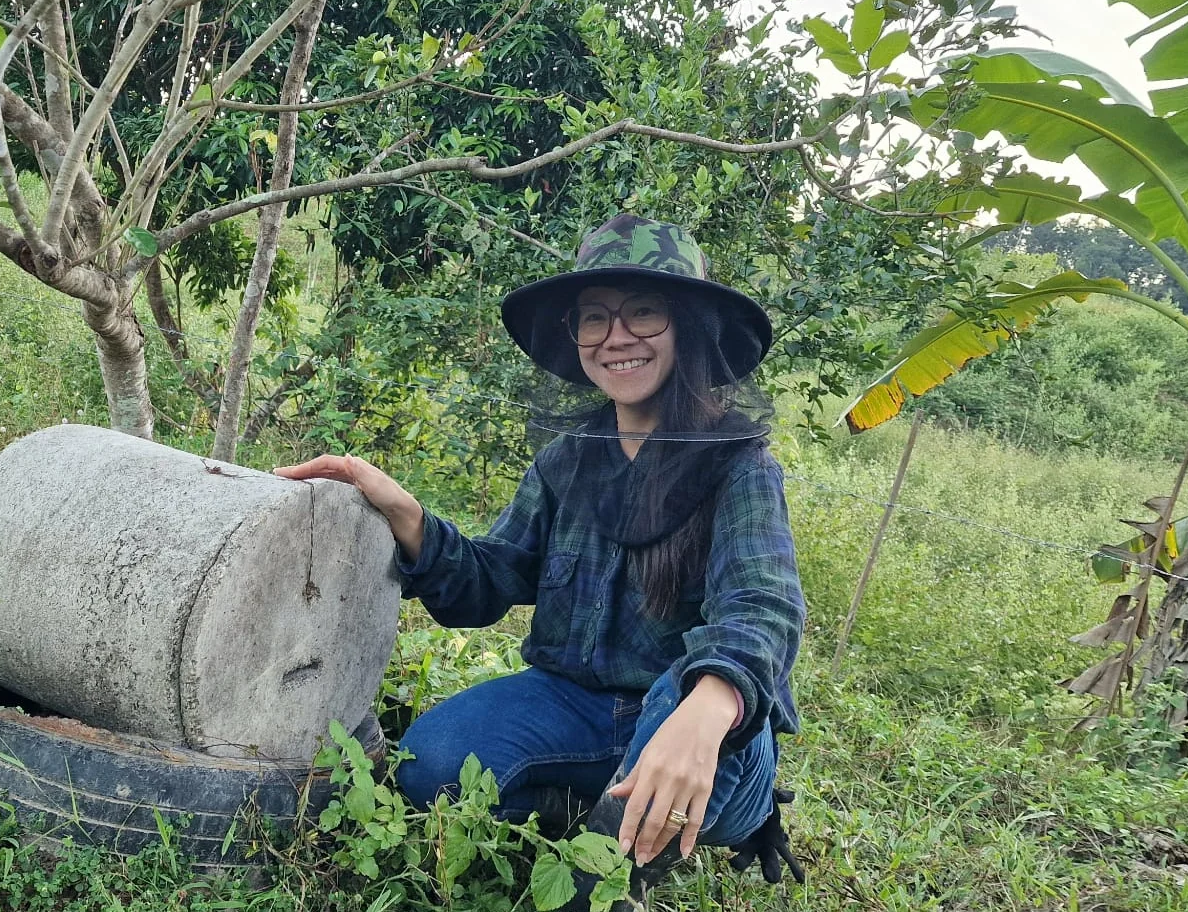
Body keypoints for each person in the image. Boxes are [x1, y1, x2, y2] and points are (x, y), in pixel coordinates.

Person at [275, 214, 804, 907]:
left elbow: (761, 607)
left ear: (689, 326)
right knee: (431, 763)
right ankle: (578, 811)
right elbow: (493, 578)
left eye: (643, 312)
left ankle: (615, 880)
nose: (617, 336)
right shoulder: (567, 461)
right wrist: (405, 513)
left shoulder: (739, 465)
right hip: (574, 704)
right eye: (595, 318)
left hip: (708, 734)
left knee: (684, 684)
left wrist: (706, 711)